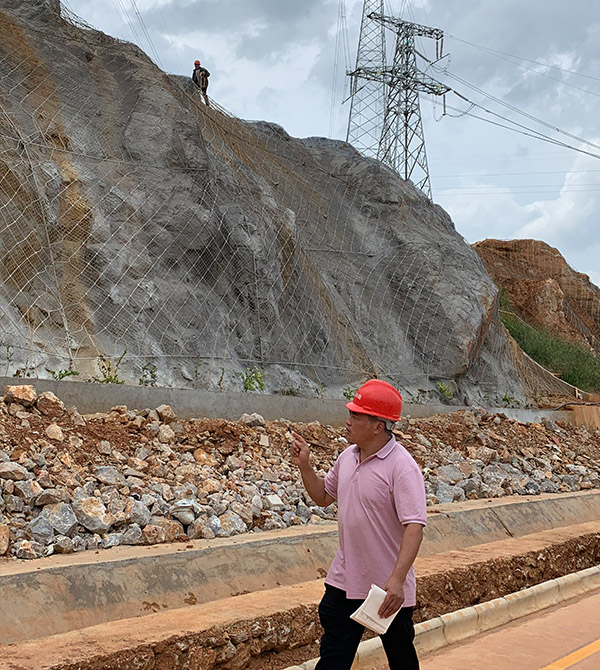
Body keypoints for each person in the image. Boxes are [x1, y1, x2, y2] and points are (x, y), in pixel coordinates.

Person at [290, 379, 427, 670]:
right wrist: (304, 465)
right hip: (344, 580)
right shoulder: (346, 458)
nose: (348, 420)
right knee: (333, 659)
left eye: (356, 415)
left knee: (401, 659)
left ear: (378, 426)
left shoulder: (402, 467)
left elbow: (414, 526)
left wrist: (397, 580)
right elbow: (323, 496)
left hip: (387, 590)